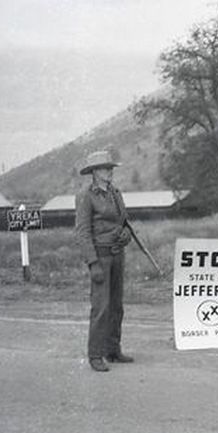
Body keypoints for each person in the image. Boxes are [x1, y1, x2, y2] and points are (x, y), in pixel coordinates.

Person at [75, 150, 133, 372]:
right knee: (101, 306)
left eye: (110, 168)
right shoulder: (85, 195)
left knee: (116, 305)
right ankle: (95, 354)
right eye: (105, 168)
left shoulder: (115, 192)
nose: (109, 171)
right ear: (94, 172)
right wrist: (93, 263)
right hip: (100, 255)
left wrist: (125, 233)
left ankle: (113, 350)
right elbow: (82, 232)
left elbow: (124, 221)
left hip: (118, 253)